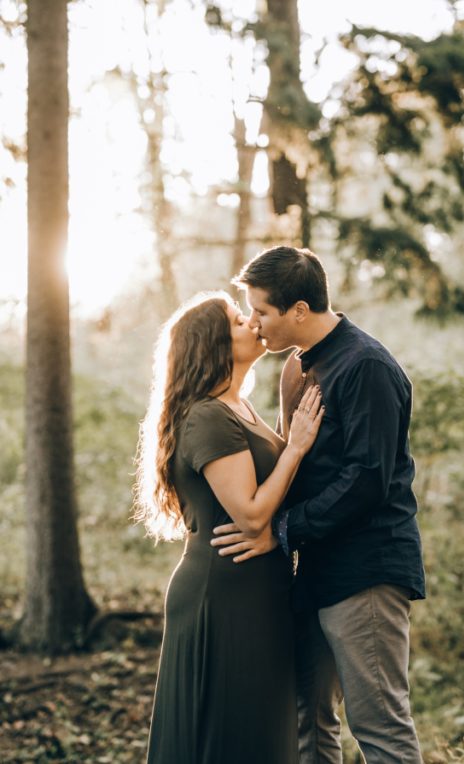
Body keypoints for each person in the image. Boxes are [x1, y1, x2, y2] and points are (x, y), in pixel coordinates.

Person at [210, 246, 426, 764]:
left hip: (366, 571)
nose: (254, 322)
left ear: (299, 311)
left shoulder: (366, 367)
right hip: (313, 570)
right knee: (309, 724)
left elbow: (367, 480)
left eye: (261, 311)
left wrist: (281, 530)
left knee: (380, 729)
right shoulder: (296, 368)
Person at [135, 291, 324, 764]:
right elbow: (252, 513)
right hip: (222, 594)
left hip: (257, 591)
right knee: (228, 734)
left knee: (259, 733)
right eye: (240, 320)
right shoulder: (207, 416)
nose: (254, 323)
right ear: (215, 345)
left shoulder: (241, 407)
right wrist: (296, 447)